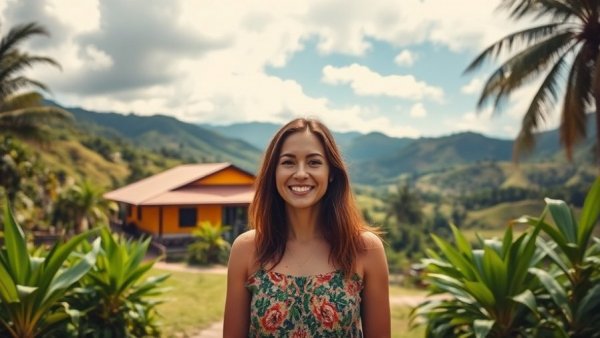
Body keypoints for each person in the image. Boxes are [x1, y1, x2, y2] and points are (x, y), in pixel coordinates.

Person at [223, 118, 390, 337]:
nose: (301, 173)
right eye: (288, 162)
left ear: (331, 173)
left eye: (314, 162)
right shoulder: (246, 249)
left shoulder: (365, 249)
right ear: (273, 173)